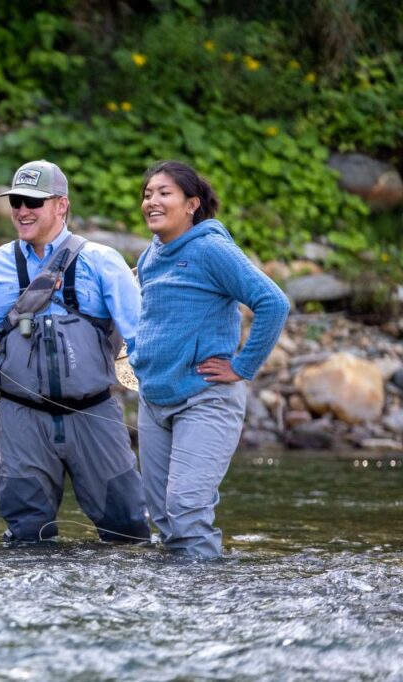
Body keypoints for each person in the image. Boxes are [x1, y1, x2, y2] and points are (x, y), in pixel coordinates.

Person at [0, 159, 151, 544]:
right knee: (26, 536)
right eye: (17, 201)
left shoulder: (102, 261)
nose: (22, 210)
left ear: (62, 205)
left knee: (128, 530)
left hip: (94, 413)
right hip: (21, 417)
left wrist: (162, 395)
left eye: (33, 202)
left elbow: (141, 336)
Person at [131, 160, 290, 560]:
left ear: (191, 204)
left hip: (205, 398)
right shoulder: (150, 256)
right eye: (148, 194)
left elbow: (273, 302)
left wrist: (242, 366)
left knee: (186, 510)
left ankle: (205, 598)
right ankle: (177, 603)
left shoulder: (211, 249)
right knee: (165, 518)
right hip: (154, 401)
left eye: (164, 193)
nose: (152, 201)